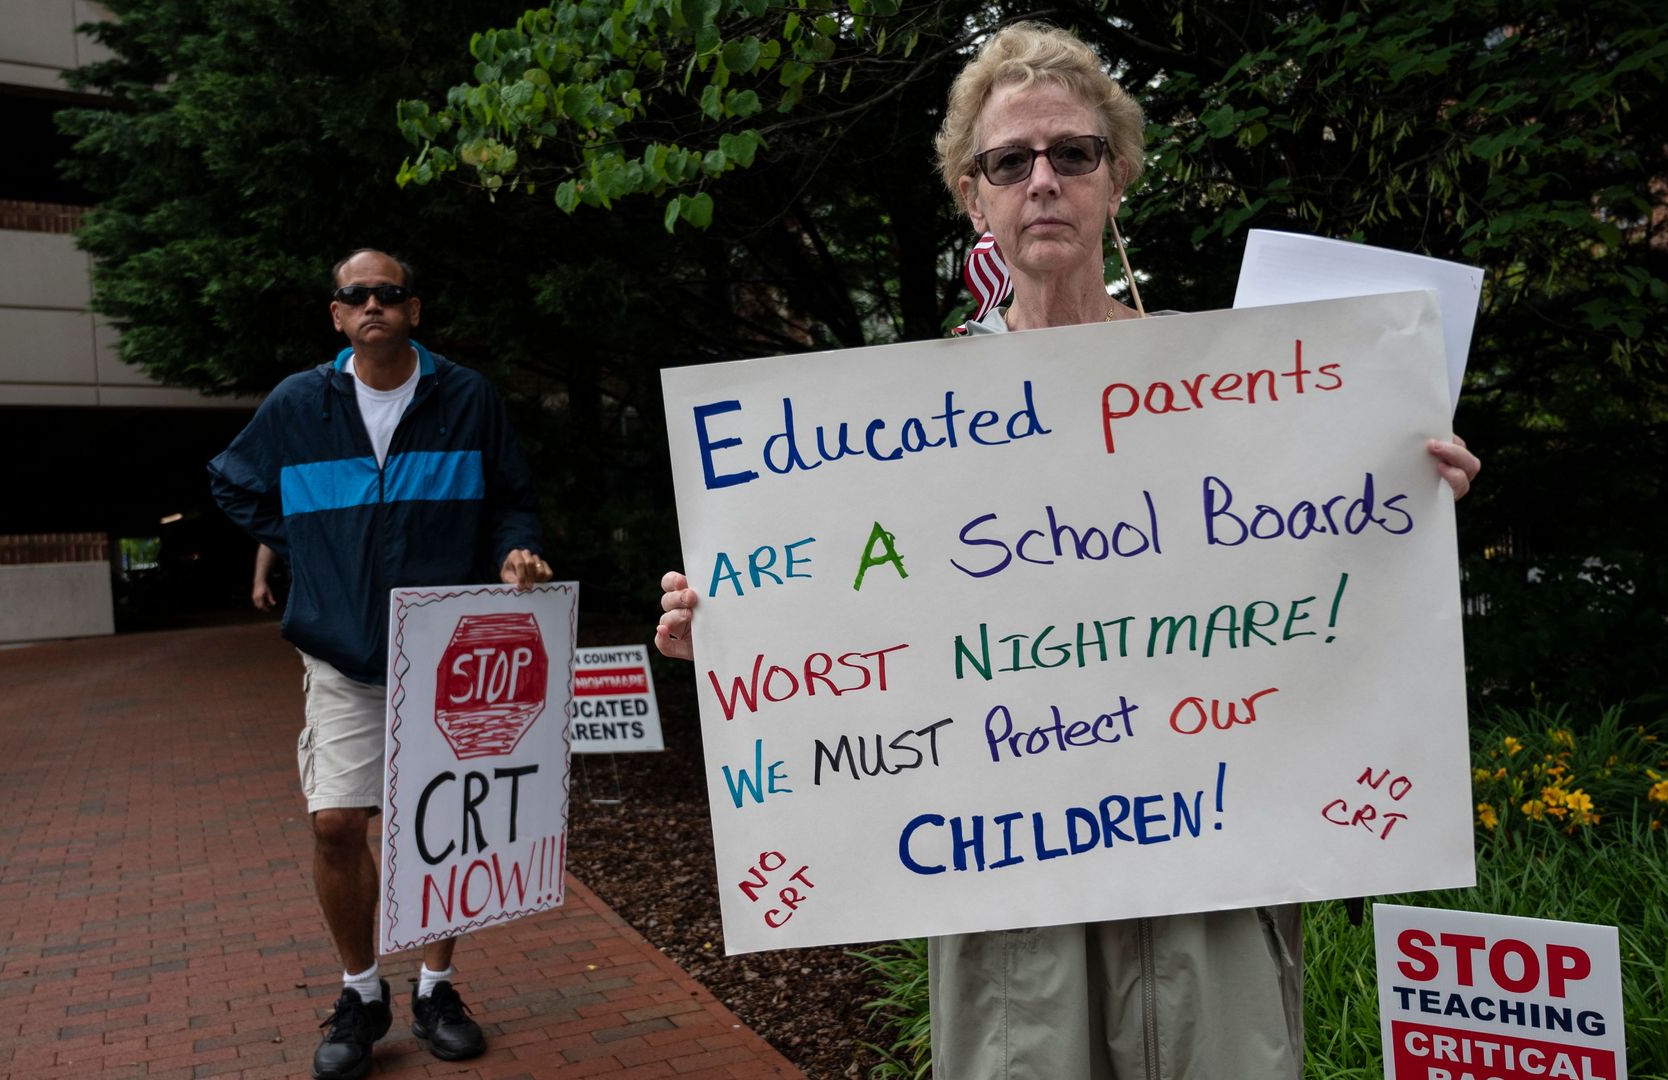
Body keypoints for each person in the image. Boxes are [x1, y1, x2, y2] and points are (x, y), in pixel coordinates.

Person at [655, 23, 1480, 1079]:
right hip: (1007, 873)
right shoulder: (894, 421)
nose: (1043, 180)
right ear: (974, 194)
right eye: (1011, 161)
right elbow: (860, 629)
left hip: (1209, 855)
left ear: (1117, 175)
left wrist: (1409, 491)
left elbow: (1311, 584)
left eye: (1072, 154)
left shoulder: (1239, 384)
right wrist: (728, 635)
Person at [209, 249, 553, 1080]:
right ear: (337, 315)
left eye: (389, 294)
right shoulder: (301, 403)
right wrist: (314, 551)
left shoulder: (464, 398)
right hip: (343, 648)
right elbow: (233, 483)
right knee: (336, 821)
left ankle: (437, 987)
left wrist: (516, 551)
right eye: (357, 296)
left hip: (448, 645)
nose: (374, 305)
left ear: (414, 310)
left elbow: (513, 497)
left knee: (442, 820)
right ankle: (362, 994)